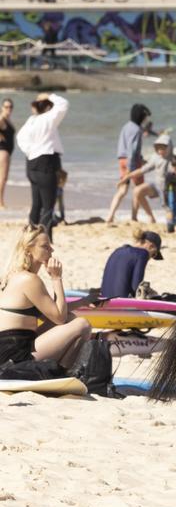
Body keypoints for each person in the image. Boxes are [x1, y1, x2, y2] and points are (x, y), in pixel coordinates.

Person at [0, 225, 90, 370]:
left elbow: (52, 313)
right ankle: (62, 373)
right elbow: (59, 317)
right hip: (13, 357)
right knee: (83, 325)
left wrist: (84, 302)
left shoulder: (13, 276)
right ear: (28, 250)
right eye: (45, 246)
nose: (52, 250)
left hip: (9, 348)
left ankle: (61, 371)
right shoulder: (29, 280)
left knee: (71, 317)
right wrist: (56, 278)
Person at [16, 94, 68, 235]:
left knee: (37, 204)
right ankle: (45, 238)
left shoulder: (32, 120)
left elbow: (20, 138)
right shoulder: (47, 119)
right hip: (45, 164)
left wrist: (31, 151)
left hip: (32, 164)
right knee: (48, 205)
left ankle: (31, 235)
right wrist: (50, 95)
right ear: (47, 106)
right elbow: (63, 104)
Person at [107, 104, 155, 224]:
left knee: (122, 190)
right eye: (145, 117)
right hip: (132, 162)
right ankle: (138, 217)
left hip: (122, 159)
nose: (145, 120)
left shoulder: (126, 126)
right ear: (140, 117)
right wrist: (132, 166)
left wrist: (140, 159)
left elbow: (125, 146)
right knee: (139, 190)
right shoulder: (137, 130)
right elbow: (132, 150)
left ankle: (110, 215)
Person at [120, 133, 175, 224]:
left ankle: (174, 221)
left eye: (163, 148)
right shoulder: (156, 158)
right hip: (156, 186)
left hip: (169, 189)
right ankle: (150, 217)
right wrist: (127, 177)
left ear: (169, 147)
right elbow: (142, 170)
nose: (160, 150)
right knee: (137, 191)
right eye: (158, 148)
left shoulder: (173, 160)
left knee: (169, 212)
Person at [100, 229, 164, 300]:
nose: (151, 258)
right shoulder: (143, 253)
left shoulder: (118, 250)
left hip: (104, 301)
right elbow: (136, 287)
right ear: (150, 246)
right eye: (154, 254)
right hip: (122, 303)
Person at [0, 99, 13, 209]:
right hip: (3, 151)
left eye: (10, 107)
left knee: (3, 178)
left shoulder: (7, 120)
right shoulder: (2, 119)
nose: (8, 109)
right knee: (2, 178)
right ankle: (0, 202)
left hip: (6, 151)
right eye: (6, 106)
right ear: (2, 107)